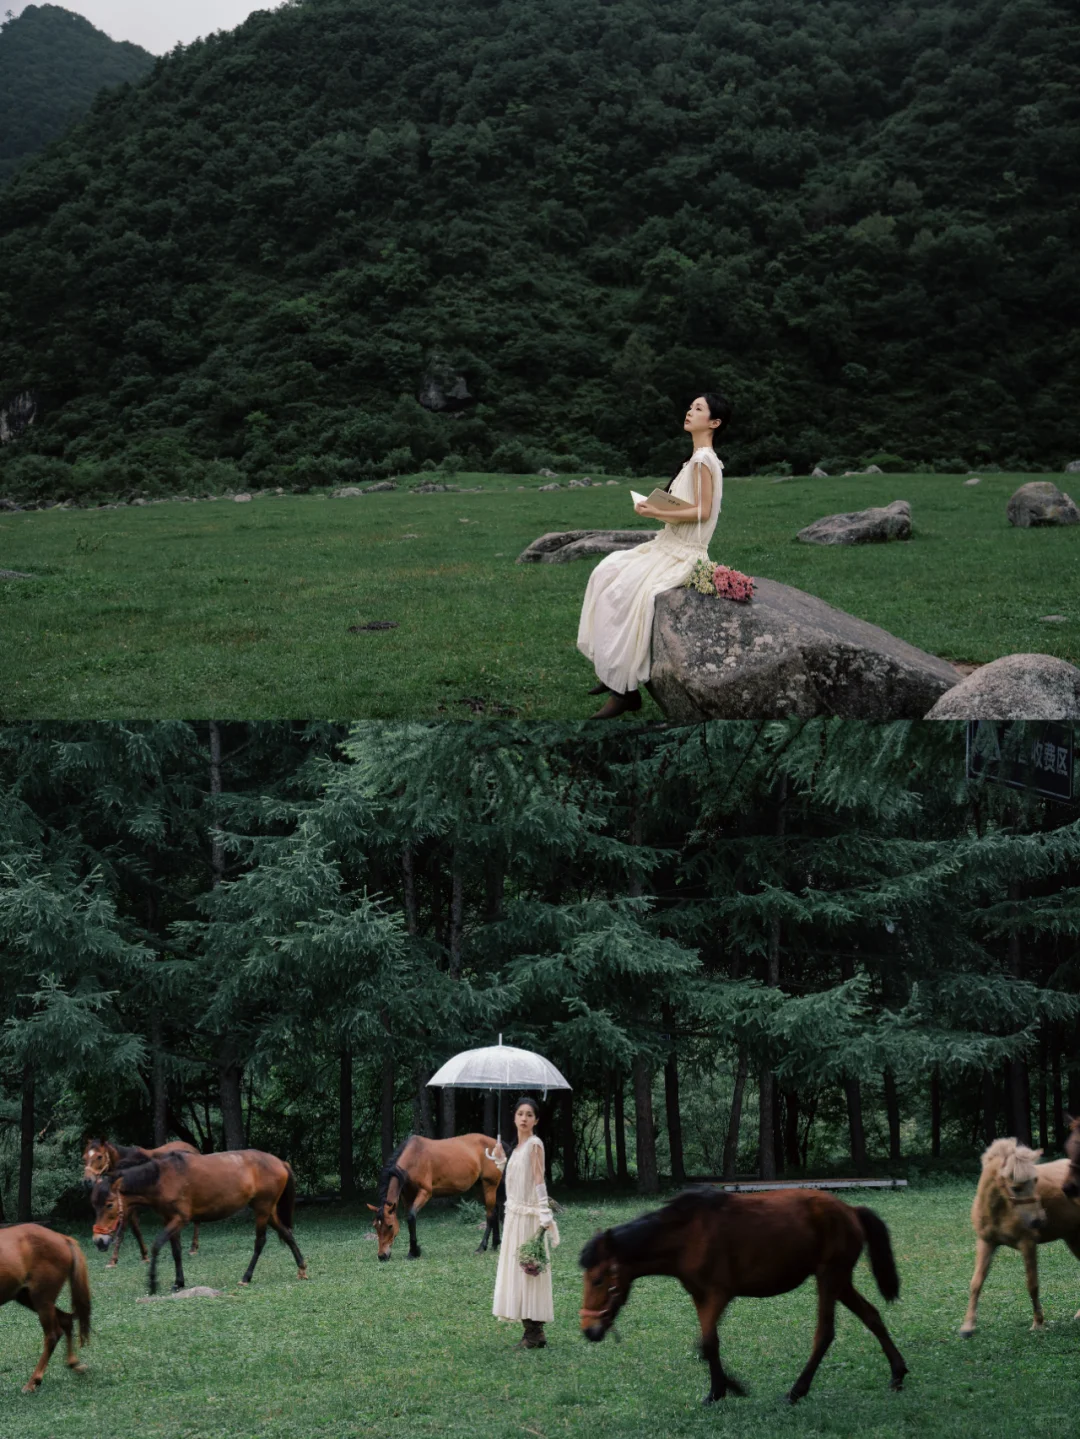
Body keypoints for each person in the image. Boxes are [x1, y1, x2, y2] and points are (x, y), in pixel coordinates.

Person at [577, 392, 732, 718]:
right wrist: (657, 508)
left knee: (630, 594)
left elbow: (703, 512)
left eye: (699, 409)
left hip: (683, 553)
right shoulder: (694, 459)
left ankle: (624, 691)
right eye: (690, 406)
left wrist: (654, 512)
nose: (689, 412)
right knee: (605, 571)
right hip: (665, 545)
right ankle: (612, 672)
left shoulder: (704, 459)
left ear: (714, 423)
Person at [489, 1096, 558, 1349]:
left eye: (529, 1114)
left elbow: (538, 1179)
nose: (524, 1118)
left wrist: (544, 1211)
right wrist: (500, 1159)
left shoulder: (535, 1144)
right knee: (519, 1273)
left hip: (529, 1218)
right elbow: (517, 1177)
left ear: (536, 1120)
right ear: (514, 1118)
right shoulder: (517, 1149)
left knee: (530, 1271)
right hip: (514, 1217)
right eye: (520, 1114)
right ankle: (532, 1331)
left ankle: (534, 1332)